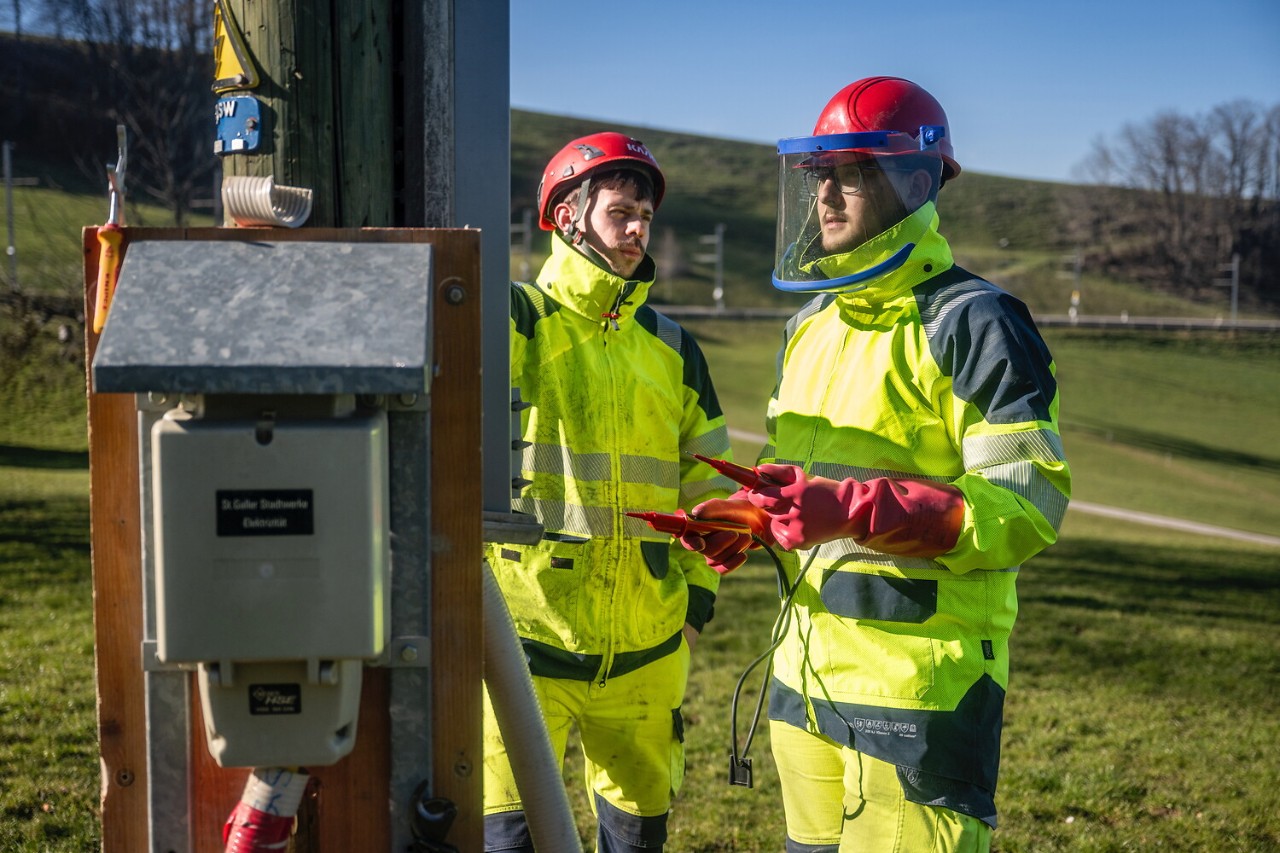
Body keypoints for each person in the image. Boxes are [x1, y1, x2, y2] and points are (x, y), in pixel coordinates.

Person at [681, 77, 1072, 851]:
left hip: (915, 695)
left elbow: (1025, 502)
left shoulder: (975, 320)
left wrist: (856, 508)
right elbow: (798, 478)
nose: (826, 196)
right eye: (819, 175)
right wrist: (752, 519)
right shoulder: (811, 324)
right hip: (800, 681)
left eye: (851, 173)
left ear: (917, 182)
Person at [484, 131, 736, 852]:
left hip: (648, 657)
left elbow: (710, 490)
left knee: (636, 842)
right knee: (507, 840)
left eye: (645, 218)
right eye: (620, 211)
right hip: (522, 652)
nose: (636, 230)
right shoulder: (516, 322)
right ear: (567, 217)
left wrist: (694, 607)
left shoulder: (674, 348)